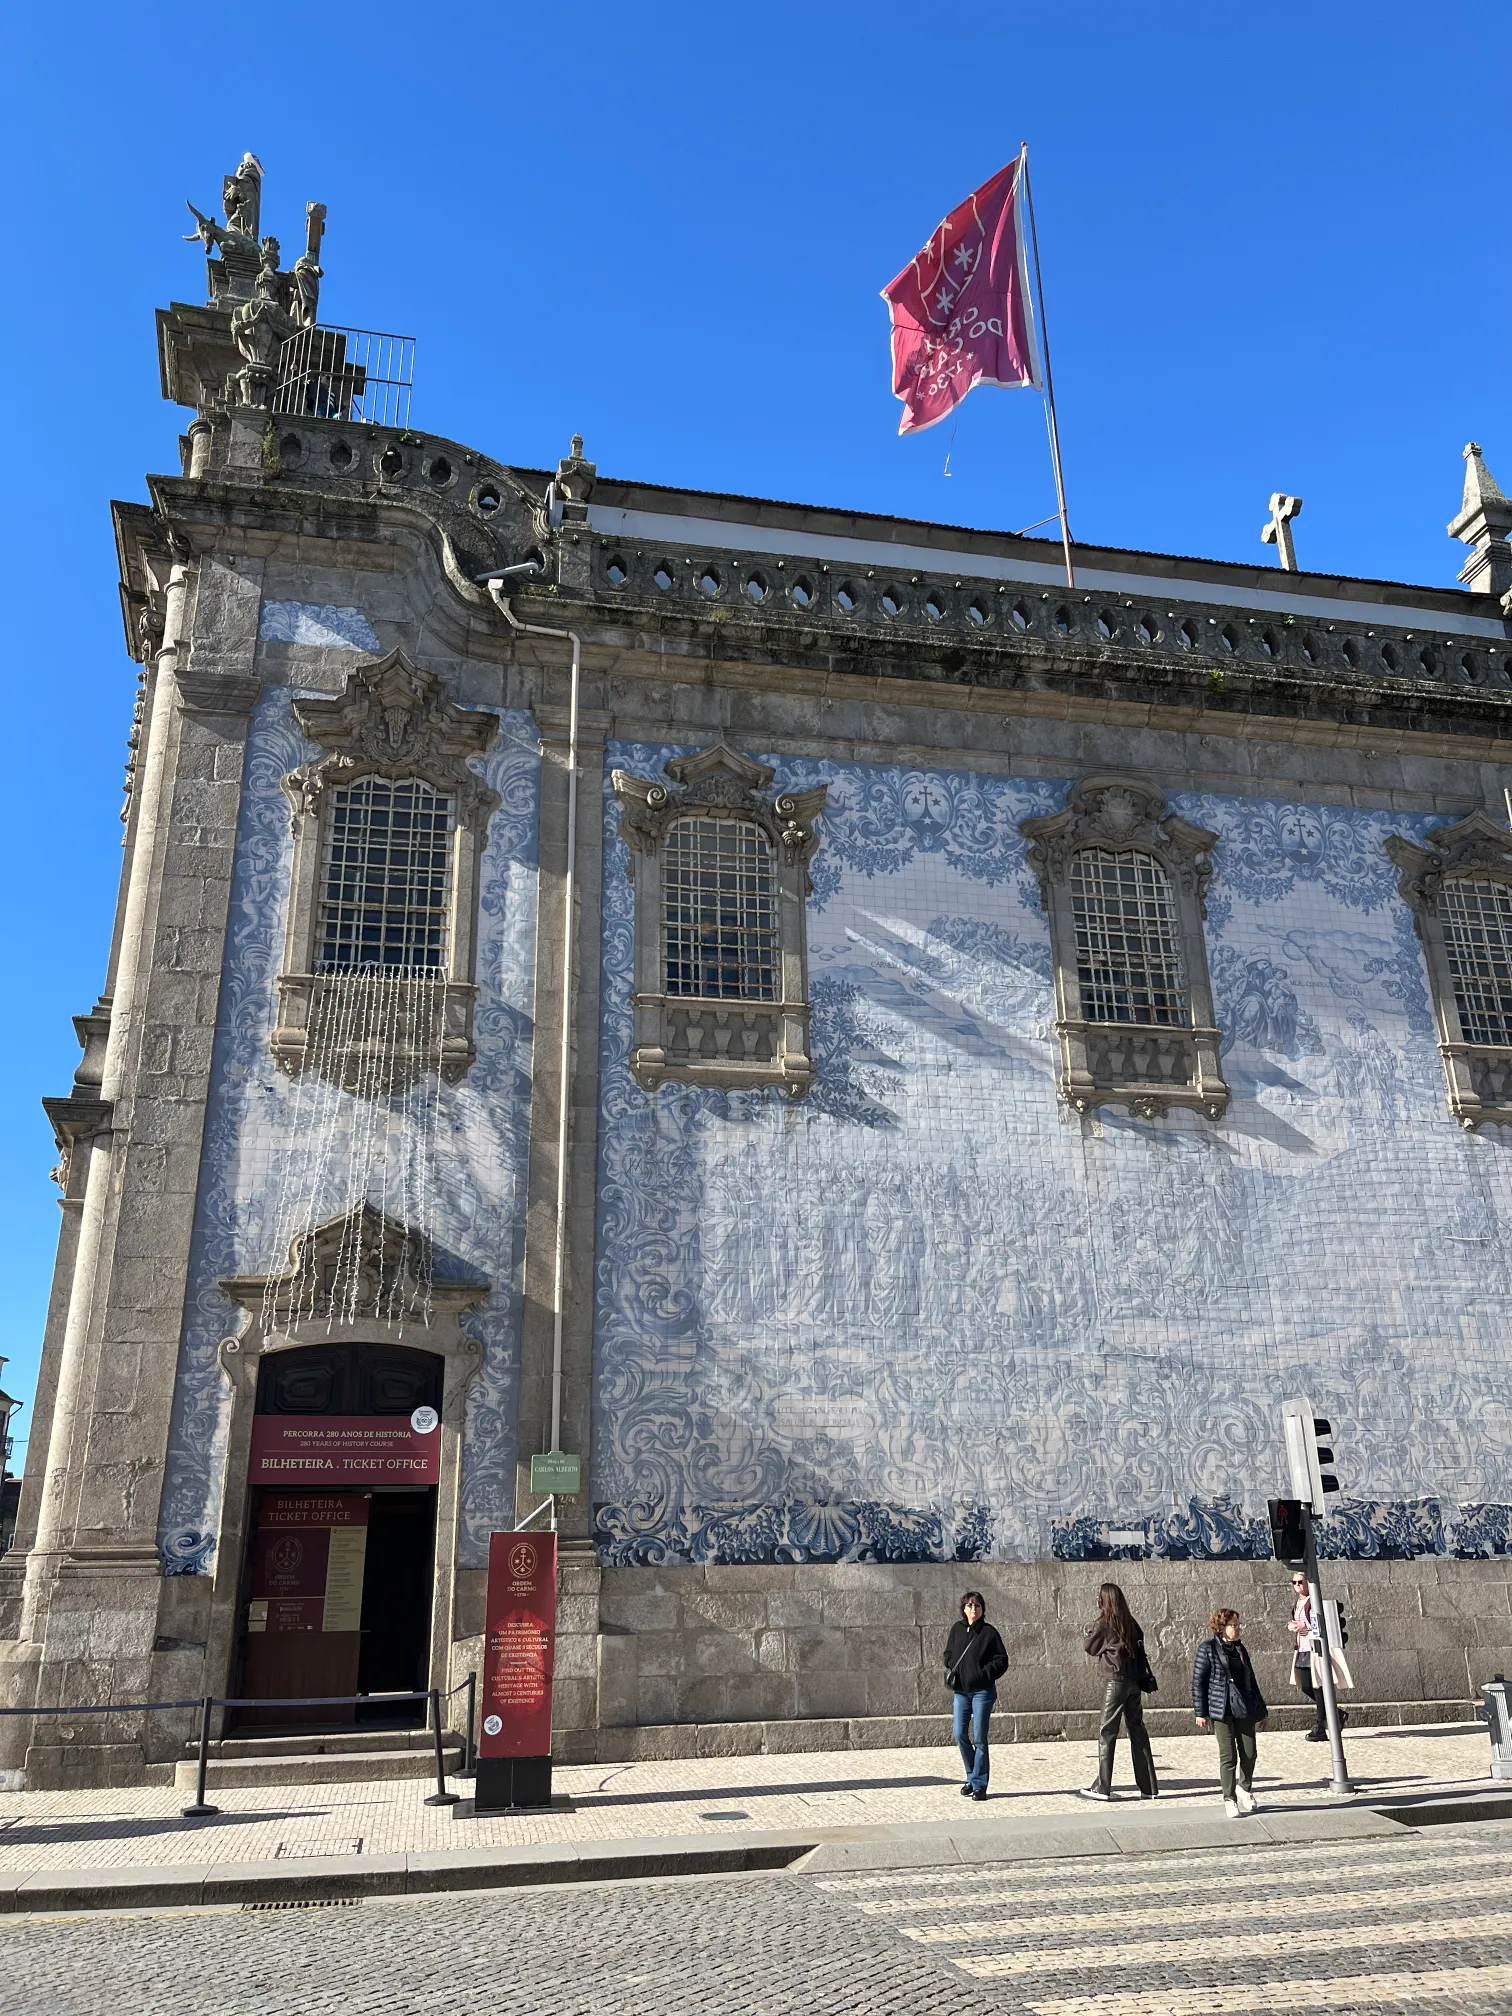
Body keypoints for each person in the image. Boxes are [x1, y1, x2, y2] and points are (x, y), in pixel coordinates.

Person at [1078, 1581, 1158, 1802]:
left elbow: (1090, 1647)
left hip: (1116, 1681)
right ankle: (1149, 1786)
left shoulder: (1103, 1624)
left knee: (1107, 1731)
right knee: (1137, 1730)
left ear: (1104, 1600)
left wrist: (1087, 1631)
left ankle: (1103, 1786)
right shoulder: (1130, 1622)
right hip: (1134, 1681)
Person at [1192, 1607, 1268, 1818]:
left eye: (1237, 1625)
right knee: (1229, 1757)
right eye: (1233, 1625)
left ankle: (1244, 1788)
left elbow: (1251, 1681)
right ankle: (1229, 1798)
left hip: (1243, 1708)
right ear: (1221, 1627)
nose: (1237, 1629)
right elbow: (1198, 1682)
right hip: (1221, 1710)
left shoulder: (1240, 1650)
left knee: (1250, 1753)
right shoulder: (1207, 1649)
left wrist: (1261, 1710)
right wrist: (1200, 1712)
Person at [943, 1590, 1008, 1801]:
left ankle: (980, 1785)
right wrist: (954, 1666)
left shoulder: (989, 1633)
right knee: (959, 1734)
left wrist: (982, 1674)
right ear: (963, 1609)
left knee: (980, 1737)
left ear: (982, 1609)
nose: (974, 1609)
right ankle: (971, 1777)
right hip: (961, 1691)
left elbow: (1001, 1660)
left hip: (982, 1692)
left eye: (977, 1606)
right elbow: (948, 1654)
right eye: (970, 1606)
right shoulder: (957, 1629)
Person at [1287, 1571, 1348, 1742]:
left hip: (1315, 1649)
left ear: (1308, 1582)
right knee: (1306, 1685)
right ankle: (1336, 1713)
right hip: (1302, 1649)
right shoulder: (1298, 1603)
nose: (1297, 1585)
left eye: (1300, 1582)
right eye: (1294, 1582)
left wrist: (1303, 1627)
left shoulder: (1314, 1601)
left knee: (1318, 1687)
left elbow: (1318, 1625)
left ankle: (1320, 1725)